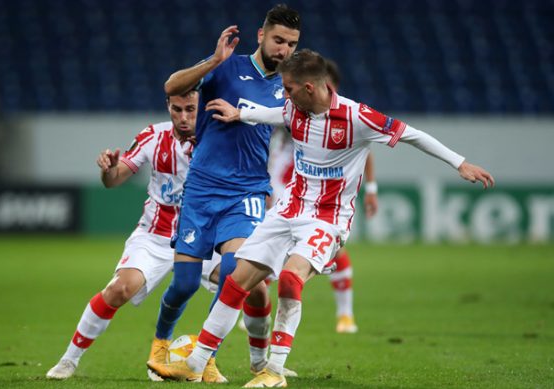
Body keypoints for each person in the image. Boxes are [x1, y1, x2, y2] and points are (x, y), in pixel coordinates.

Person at [147, 49, 494, 386]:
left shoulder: (358, 117)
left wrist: (459, 162)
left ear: (310, 87)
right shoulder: (293, 109)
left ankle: (275, 370)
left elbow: (413, 135)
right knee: (237, 279)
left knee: (289, 279)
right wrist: (240, 114)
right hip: (288, 209)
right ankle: (194, 364)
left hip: (327, 219)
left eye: (288, 89)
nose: (283, 95)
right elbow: (271, 113)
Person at [149, 4, 301, 381]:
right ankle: (160, 343)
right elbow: (172, 87)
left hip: (247, 190)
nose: (284, 50)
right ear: (261, 35)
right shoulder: (227, 66)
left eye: (292, 44)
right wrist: (214, 59)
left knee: (235, 270)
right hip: (201, 187)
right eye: (278, 40)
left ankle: (205, 356)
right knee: (183, 285)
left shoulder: (288, 88)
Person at [46, 91, 206, 380]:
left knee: (246, 284)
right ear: (167, 107)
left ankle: (263, 365)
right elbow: (114, 179)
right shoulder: (152, 136)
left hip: (205, 235)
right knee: (119, 289)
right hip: (156, 235)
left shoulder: (219, 137)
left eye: (191, 109)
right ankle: (69, 360)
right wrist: (108, 170)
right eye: (177, 109)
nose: (183, 117)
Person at [266, 128, 378, 334]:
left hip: (315, 198)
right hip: (281, 192)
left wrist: (371, 188)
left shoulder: (333, 123)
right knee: (267, 251)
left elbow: (366, 151)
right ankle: (259, 312)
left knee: (334, 251)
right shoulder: (282, 120)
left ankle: (345, 314)